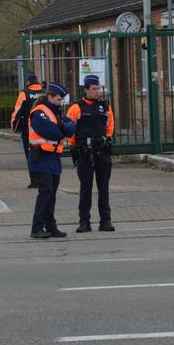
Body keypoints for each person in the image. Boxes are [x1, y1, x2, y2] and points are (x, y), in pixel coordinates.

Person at [65, 74, 115, 233]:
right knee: (85, 188)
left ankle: (105, 221)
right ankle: (84, 222)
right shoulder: (76, 107)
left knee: (104, 188)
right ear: (86, 89)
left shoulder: (105, 106)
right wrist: (77, 146)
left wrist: (106, 139)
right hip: (84, 153)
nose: (97, 92)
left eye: (98, 88)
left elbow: (110, 126)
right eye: (94, 89)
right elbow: (69, 129)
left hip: (102, 152)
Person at [27, 83, 75, 239]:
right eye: (58, 99)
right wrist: (62, 128)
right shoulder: (39, 112)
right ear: (50, 97)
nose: (60, 102)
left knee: (51, 194)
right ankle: (36, 228)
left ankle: (51, 226)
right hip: (40, 157)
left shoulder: (57, 112)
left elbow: (72, 127)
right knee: (45, 193)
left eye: (61, 100)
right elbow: (53, 132)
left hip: (53, 158)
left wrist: (61, 127)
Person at [10, 73, 46, 188]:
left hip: (29, 130)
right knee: (45, 154)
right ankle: (45, 179)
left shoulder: (24, 93)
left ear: (28, 82)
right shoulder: (46, 92)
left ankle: (35, 181)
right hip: (45, 127)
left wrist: (14, 126)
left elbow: (17, 112)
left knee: (31, 154)